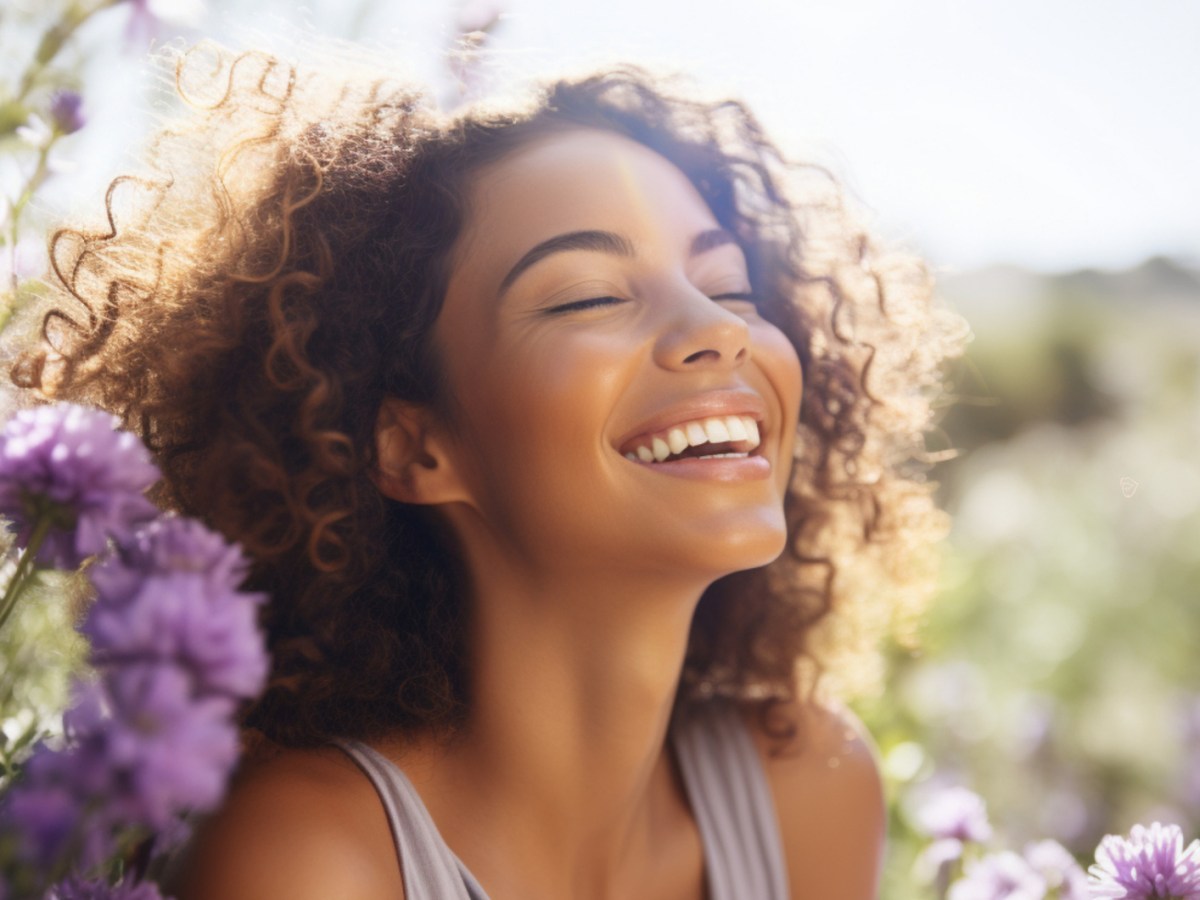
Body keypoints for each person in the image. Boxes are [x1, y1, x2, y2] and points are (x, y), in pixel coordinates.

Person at [12, 41, 965, 900]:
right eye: (589, 296)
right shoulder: (310, 862)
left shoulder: (810, 789)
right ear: (413, 447)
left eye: (729, 287)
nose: (720, 328)